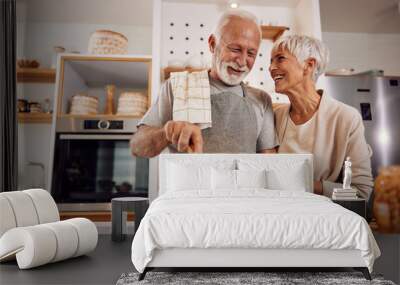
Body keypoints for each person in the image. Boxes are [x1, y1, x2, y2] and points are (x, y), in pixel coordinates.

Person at [130, 9, 278, 157]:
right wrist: (166, 133)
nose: (241, 61)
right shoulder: (177, 87)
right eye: (235, 49)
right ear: (213, 44)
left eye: (251, 53)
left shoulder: (262, 100)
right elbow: (137, 147)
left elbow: (268, 163)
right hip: (189, 181)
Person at [269, 35, 373, 199]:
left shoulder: (346, 118)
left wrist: (304, 184)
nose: (271, 68)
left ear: (308, 65)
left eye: (280, 58)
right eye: (270, 61)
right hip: (281, 216)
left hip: (324, 220)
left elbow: (361, 194)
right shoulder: (275, 116)